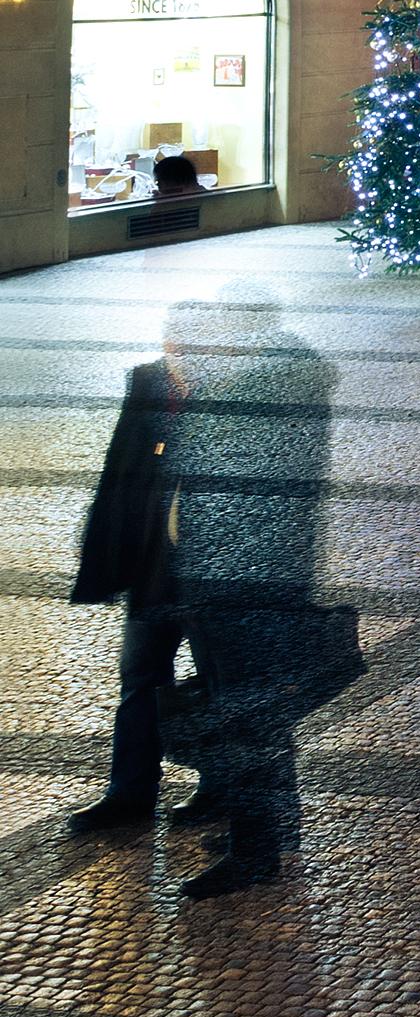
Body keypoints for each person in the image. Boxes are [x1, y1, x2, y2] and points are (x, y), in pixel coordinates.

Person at [65, 297, 344, 897]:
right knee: (142, 676)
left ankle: (251, 821)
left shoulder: (251, 394)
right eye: (171, 344)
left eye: (189, 346)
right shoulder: (151, 382)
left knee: (236, 694)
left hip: (222, 575)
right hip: (156, 564)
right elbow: (123, 469)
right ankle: (131, 793)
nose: (177, 357)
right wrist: (106, 549)